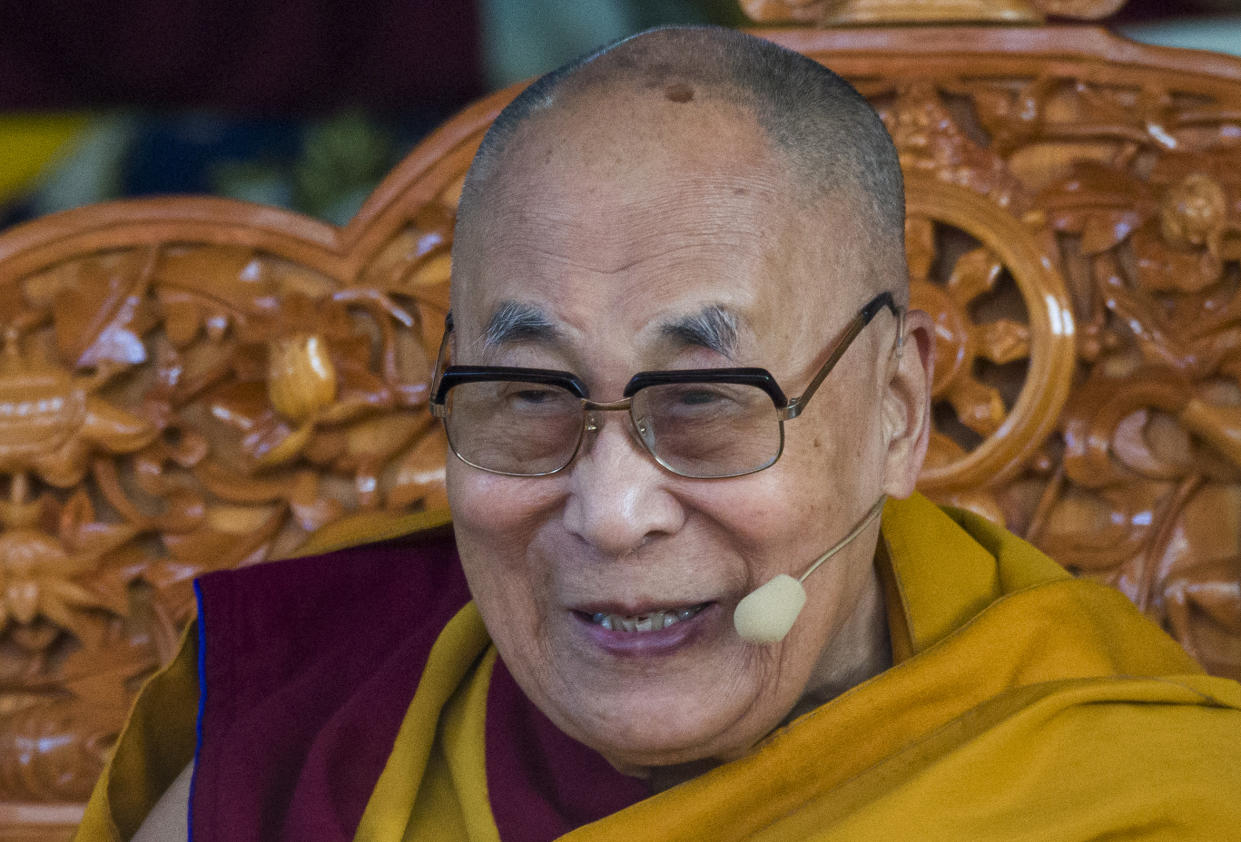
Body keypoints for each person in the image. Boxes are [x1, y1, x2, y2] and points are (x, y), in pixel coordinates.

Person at [78, 25, 1241, 842]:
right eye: (528, 396)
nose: (610, 508)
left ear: (894, 412)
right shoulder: (324, 735)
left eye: (706, 398)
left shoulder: (1118, 792)